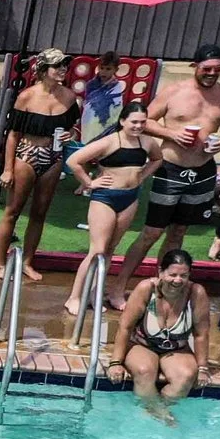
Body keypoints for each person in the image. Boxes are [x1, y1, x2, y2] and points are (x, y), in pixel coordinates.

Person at [117, 44, 220, 307]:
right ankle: (118, 287)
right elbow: (145, 121)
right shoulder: (174, 91)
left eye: (217, 69)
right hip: (170, 169)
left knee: (178, 232)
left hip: (202, 171)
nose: (212, 74)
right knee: (151, 232)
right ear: (195, 66)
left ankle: (164, 290)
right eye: (207, 69)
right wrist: (172, 134)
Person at [0, 49, 79, 284]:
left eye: (64, 65)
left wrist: (71, 134)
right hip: (27, 154)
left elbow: (73, 128)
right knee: (13, 211)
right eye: (57, 65)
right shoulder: (27, 97)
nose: (62, 69)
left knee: (40, 213)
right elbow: (13, 135)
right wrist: (8, 169)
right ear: (43, 70)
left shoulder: (69, 97)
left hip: (53, 156)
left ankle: (28, 262)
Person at [61, 102, 154, 316]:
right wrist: (89, 183)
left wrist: (143, 175)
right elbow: (74, 160)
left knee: (111, 249)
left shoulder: (147, 143)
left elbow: (157, 159)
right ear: (122, 121)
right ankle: (74, 297)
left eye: (142, 122)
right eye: (134, 122)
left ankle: (94, 293)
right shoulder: (109, 142)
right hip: (105, 199)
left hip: (130, 198)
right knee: (97, 249)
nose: (138, 126)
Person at [105, 249, 208, 426]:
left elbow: (201, 334)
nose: (178, 280)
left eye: (183, 275)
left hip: (177, 348)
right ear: (161, 271)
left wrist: (203, 368)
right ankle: (162, 415)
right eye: (172, 274)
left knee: (185, 376)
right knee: (144, 371)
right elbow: (125, 327)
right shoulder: (146, 289)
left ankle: (155, 410)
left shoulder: (196, 293)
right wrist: (115, 363)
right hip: (142, 345)